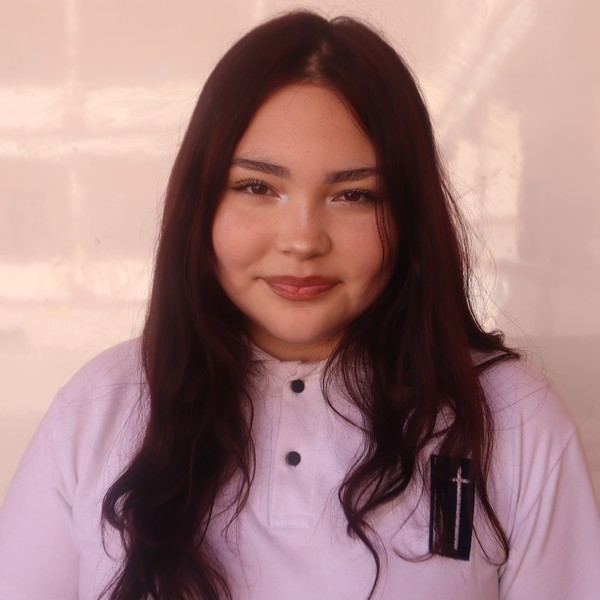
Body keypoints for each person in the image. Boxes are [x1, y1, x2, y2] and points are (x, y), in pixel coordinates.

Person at [0, 10, 599, 600]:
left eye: (354, 195)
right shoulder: (99, 408)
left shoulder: (512, 418)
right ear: (200, 205)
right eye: (257, 187)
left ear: (409, 217)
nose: (303, 240)